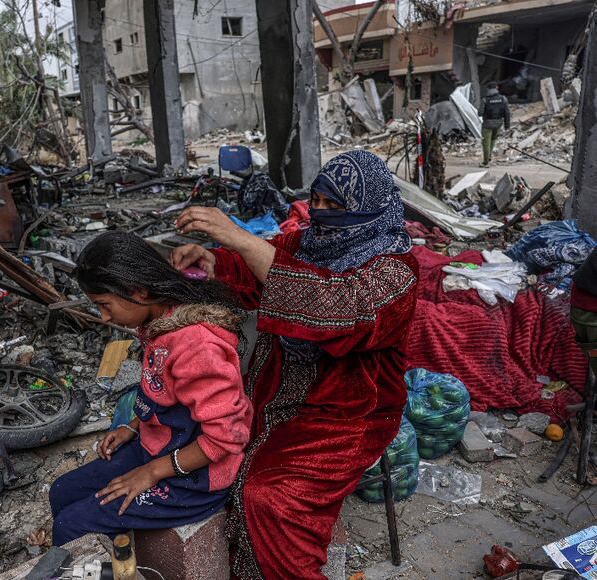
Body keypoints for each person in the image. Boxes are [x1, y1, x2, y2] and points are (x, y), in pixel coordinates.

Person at [171, 150, 419, 579]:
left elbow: (336, 305)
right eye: (317, 201)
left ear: (369, 209)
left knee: (269, 497)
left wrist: (240, 236)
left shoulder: (395, 272)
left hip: (349, 413)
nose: (320, 214)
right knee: (211, 452)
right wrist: (215, 261)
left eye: (334, 206)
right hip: (275, 390)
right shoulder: (307, 242)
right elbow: (256, 270)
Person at [49, 231, 253, 546]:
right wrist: (134, 426)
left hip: (196, 479)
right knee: (62, 492)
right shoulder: (160, 324)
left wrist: (151, 472)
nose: (104, 318)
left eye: (104, 305)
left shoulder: (196, 345)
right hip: (160, 447)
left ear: (140, 292)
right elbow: (166, 396)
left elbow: (226, 438)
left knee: (69, 525)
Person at [478, 81, 510, 167]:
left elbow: (480, 113)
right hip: (498, 123)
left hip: (487, 124)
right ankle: (488, 158)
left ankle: (486, 162)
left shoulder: (485, 100)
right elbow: (507, 113)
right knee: (493, 140)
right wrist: (507, 126)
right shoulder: (503, 98)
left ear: (488, 89)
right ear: (497, 88)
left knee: (486, 143)